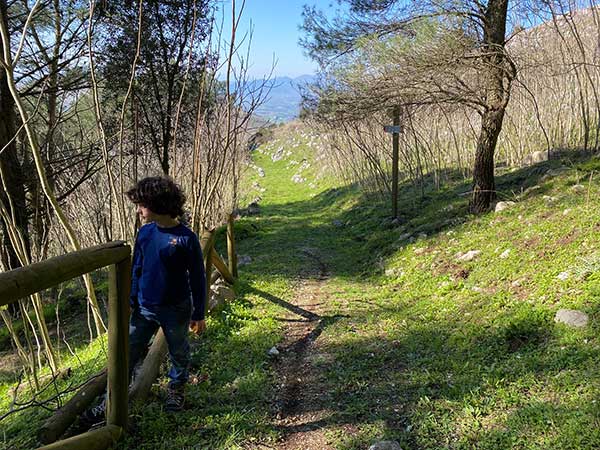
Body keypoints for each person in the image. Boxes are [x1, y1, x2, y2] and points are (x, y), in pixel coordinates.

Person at [83, 176, 206, 424]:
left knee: (178, 351)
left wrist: (199, 313)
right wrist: (131, 300)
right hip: (143, 309)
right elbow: (137, 268)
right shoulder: (145, 233)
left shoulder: (185, 238)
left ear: (158, 204)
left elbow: (198, 278)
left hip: (176, 309)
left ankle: (176, 389)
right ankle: (110, 402)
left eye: (142, 205)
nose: (138, 210)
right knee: (127, 354)